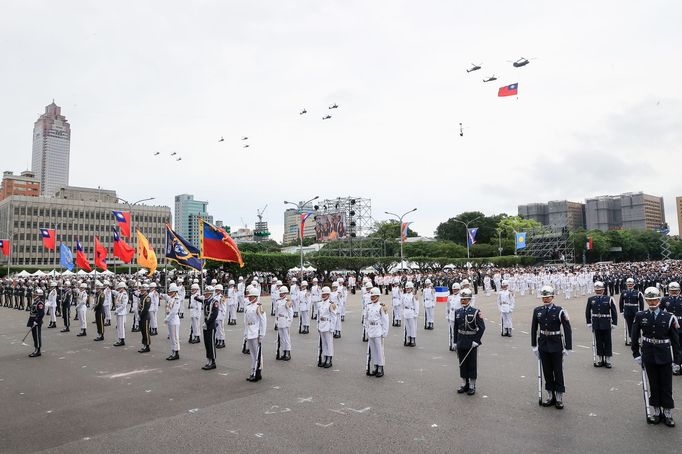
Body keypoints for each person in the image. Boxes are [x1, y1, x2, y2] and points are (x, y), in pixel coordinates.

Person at [632, 287, 680, 427]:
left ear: (659, 300)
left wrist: (677, 360)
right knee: (653, 384)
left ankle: (668, 413)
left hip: (664, 354)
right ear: (646, 301)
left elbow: (676, 342)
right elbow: (635, 336)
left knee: (666, 385)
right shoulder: (640, 316)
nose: (652, 302)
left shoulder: (669, 317)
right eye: (649, 300)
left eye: (654, 300)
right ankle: (657, 412)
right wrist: (636, 354)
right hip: (649, 353)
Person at [531, 285, 572, 409]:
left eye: (548, 297)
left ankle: (559, 397)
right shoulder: (537, 310)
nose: (545, 299)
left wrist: (567, 347)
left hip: (556, 343)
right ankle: (550, 396)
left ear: (552, 297)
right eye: (544, 297)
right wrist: (534, 345)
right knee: (547, 371)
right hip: (543, 343)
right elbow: (534, 328)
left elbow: (567, 329)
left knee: (558, 371)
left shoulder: (560, 310)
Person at [453, 288, 485, 395]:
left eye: (465, 299)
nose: (463, 301)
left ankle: (472, 385)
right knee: (462, 363)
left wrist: (476, 340)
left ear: (469, 300)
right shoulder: (458, 312)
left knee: (471, 363)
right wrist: (455, 342)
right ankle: (464, 383)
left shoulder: (476, 312)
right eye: (462, 299)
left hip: (471, 342)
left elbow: (481, 327)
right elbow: (455, 327)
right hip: (461, 340)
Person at [585, 281, 618, 368]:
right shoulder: (591, 299)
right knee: (598, 341)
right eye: (597, 290)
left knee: (607, 341)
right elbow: (587, 311)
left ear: (603, 290)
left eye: (600, 290)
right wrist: (588, 322)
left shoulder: (609, 299)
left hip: (606, 322)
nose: (598, 291)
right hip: (596, 322)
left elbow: (614, 312)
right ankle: (600, 359)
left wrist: (614, 323)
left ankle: (608, 359)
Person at [365, 287, 389, 377]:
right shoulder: (368, 306)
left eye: (374, 296)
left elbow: (385, 320)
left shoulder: (381, 306)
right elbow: (366, 318)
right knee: (373, 350)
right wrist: (367, 329)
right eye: (372, 296)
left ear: (378, 296)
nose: (372, 297)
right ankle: (375, 366)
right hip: (371, 330)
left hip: (378, 330)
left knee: (379, 350)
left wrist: (384, 332)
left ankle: (380, 367)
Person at [244, 287, 267, 381]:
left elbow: (263, 321)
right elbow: (245, 321)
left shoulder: (259, 306)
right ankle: (252, 370)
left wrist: (262, 334)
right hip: (249, 331)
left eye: (251, 296)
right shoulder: (248, 306)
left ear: (255, 297)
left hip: (256, 332)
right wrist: (245, 333)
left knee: (257, 353)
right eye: (249, 296)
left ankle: (258, 371)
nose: (249, 298)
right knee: (253, 354)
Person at [661, 281, 682, 376]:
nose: (674, 292)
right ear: (669, 291)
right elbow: (660, 312)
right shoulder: (665, 299)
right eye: (672, 290)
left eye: (676, 290)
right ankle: (675, 364)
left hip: (681, 325)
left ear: (679, 291)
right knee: (673, 345)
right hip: (670, 325)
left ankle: (679, 363)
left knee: (680, 345)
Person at [619, 278, 644, 346]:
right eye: (628, 284)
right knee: (629, 325)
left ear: (634, 285)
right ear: (626, 285)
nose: (630, 285)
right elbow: (621, 302)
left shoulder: (638, 292)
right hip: (627, 310)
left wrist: (641, 311)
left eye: (631, 284)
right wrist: (621, 311)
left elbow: (641, 303)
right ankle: (632, 339)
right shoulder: (624, 292)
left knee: (637, 325)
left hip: (635, 311)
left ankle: (638, 339)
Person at [199, 286, 218, 370]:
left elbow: (214, 315)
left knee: (211, 344)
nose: (205, 295)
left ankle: (213, 362)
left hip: (210, 325)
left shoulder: (214, 302)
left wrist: (207, 323)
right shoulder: (206, 301)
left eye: (207, 294)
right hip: (206, 324)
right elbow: (198, 298)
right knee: (207, 343)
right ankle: (208, 360)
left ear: (211, 294)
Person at [317, 286, 337, 368]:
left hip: (328, 325)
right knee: (324, 344)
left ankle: (329, 359)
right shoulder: (320, 304)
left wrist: (332, 328)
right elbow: (318, 316)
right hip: (322, 325)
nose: (323, 295)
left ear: (328, 295)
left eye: (325, 294)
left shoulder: (331, 304)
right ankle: (325, 358)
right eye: (322, 294)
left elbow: (334, 317)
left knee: (329, 343)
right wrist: (317, 325)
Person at [162, 283, 181, 360]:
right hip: (170, 319)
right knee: (172, 337)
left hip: (174, 320)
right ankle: (173, 351)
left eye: (170, 292)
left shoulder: (177, 299)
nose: (169, 293)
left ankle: (176, 352)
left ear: (174, 292)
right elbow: (165, 297)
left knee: (175, 337)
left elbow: (173, 311)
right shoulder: (171, 298)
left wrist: (167, 319)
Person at [274, 285, 294, 361]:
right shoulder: (278, 301)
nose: (280, 294)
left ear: (285, 293)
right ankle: (283, 352)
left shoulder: (287, 301)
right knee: (282, 338)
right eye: (280, 293)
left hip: (285, 321)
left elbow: (290, 313)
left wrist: (289, 322)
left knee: (286, 338)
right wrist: (276, 320)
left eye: (282, 293)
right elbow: (276, 312)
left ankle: (288, 353)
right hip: (280, 321)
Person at [27, 288, 46, 357]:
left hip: (36, 321)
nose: (33, 294)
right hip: (33, 320)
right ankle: (36, 349)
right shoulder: (35, 301)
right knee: (34, 335)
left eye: (35, 293)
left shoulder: (39, 302)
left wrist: (36, 321)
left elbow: (41, 313)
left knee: (37, 336)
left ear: (38, 295)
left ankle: (38, 351)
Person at [402, 282, 419, 347]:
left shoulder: (413, 296)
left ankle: (413, 340)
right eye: (407, 288)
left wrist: (416, 314)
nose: (407, 289)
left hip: (411, 312)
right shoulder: (404, 296)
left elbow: (416, 305)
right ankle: (408, 339)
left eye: (409, 288)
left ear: (412, 288)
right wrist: (403, 312)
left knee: (413, 327)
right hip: (406, 312)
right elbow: (402, 304)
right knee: (407, 327)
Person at [113, 282, 129, 347]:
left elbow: (124, 305)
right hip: (119, 312)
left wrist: (117, 310)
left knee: (121, 326)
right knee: (118, 326)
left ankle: (122, 339)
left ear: (123, 287)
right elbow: (115, 293)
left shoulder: (124, 294)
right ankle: (120, 338)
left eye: (120, 288)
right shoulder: (120, 293)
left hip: (121, 312)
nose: (119, 289)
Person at [138, 284, 152, 353]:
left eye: (143, 290)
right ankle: (144, 344)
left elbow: (145, 308)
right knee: (142, 331)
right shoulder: (142, 297)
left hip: (145, 316)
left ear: (146, 290)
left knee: (146, 331)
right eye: (141, 289)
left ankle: (147, 345)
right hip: (141, 316)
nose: (142, 291)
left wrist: (140, 315)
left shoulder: (147, 298)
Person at [447, 283, 461, 350]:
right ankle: (452, 345)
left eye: (456, 289)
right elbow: (447, 308)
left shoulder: (461, 297)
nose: (454, 290)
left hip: (458, 317)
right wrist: (447, 316)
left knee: (458, 332)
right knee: (452, 332)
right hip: (451, 316)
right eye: (453, 289)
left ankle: (458, 345)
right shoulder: (450, 297)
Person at [214, 284, 226, 348]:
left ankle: (222, 340)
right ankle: (218, 340)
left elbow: (224, 307)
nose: (216, 290)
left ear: (220, 290)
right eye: (216, 289)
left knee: (220, 329)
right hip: (216, 314)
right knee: (217, 329)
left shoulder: (222, 297)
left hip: (220, 314)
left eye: (217, 290)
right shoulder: (215, 297)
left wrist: (223, 316)